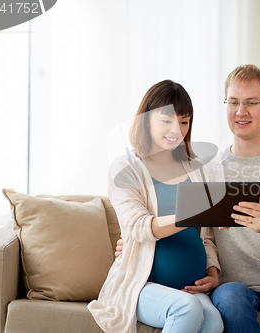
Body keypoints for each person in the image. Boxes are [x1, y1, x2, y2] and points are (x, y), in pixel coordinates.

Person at [116, 66, 260, 332]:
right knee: (230, 300)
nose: (240, 111)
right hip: (234, 286)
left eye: (251, 103)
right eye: (234, 102)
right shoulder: (205, 169)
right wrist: (136, 246)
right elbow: (200, 234)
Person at [88, 80, 223, 333]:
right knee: (186, 308)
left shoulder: (196, 170)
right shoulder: (125, 169)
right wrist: (191, 212)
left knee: (214, 322)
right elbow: (138, 227)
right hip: (142, 285)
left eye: (184, 121)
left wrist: (212, 273)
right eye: (167, 120)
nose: (177, 129)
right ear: (146, 120)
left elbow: (206, 236)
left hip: (188, 287)